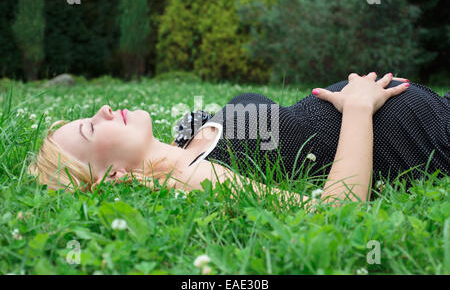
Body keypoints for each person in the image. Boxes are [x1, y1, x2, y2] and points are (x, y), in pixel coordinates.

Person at [28, 72, 449, 207]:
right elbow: (336, 210)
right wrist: (358, 108)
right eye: (90, 128)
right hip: (432, 138)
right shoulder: (194, 176)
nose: (101, 111)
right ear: (113, 176)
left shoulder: (185, 149)